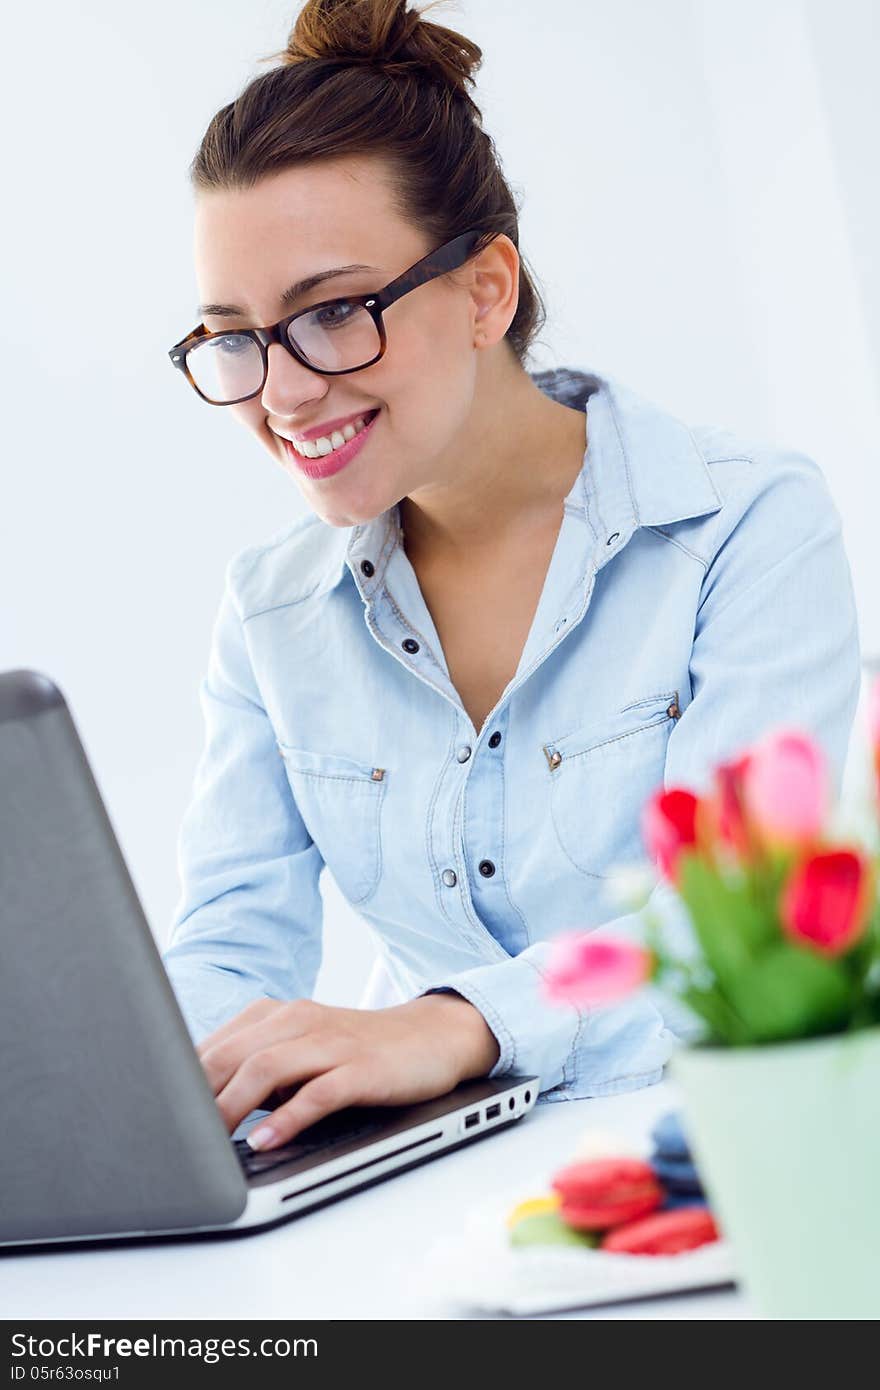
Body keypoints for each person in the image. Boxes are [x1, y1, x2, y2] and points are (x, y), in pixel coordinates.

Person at [161, 0, 862, 1153]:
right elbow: (231, 947)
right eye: (233, 337)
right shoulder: (272, 608)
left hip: (721, 1160)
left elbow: (731, 929)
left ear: (486, 289)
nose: (281, 395)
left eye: (333, 314)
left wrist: (462, 1021)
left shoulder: (743, 524)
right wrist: (131, 1100)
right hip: (419, 1187)